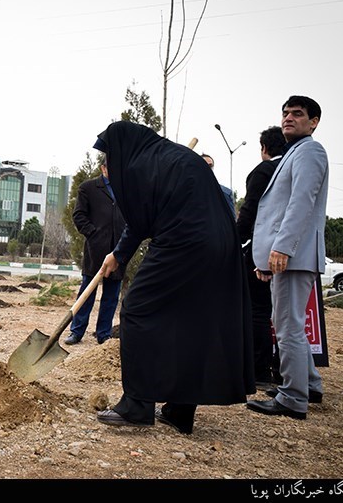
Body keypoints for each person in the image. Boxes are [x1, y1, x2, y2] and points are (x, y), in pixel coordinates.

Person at [93, 121, 254, 435]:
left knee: (137, 308)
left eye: (110, 156)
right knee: (191, 319)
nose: (110, 164)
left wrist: (118, 254)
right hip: (223, 244)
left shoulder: (140, 165)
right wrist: (118, 254)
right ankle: (180, 410)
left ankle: (137, 404)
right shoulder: (171, 156)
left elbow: (139, 223)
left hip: (186, 242)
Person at [246, 96, 327, 420]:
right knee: (290, 322)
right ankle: (309, 384)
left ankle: (293, 398)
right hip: (291, 253)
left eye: (297, 114)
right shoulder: (295, 152)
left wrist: (282, 249)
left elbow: (300, 203)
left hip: (294, 254)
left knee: (287, 326)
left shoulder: (310, 151)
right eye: (285, 114)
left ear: (314, 121)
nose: (288, 118)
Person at [236, 126, 286, 388]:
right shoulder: (292, 169)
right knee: (286, 317)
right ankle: (286, 374)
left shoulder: (264, 171)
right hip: (293, 252)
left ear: (264, 148)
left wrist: (234, 238)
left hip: (264, 252)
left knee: (258, 311)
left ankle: (259, 371)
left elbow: (251, 211)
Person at [65, 154, 126, 345]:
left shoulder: (127, 190)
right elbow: (79, 215)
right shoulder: (88, 188)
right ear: (103, 169)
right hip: (96, 249)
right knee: (87, 292)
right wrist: (94, 234)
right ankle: (76, 331)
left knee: (111, 296)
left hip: (119, 249)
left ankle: (103, 335)